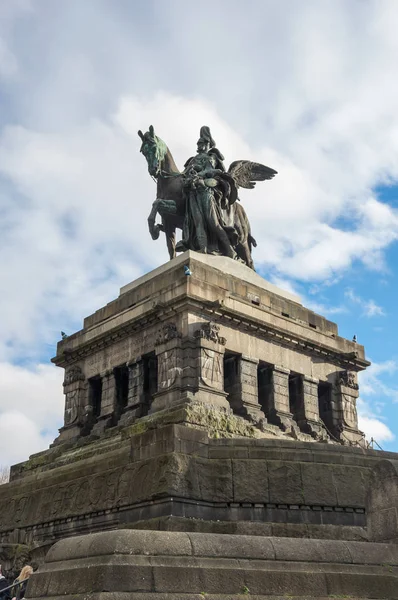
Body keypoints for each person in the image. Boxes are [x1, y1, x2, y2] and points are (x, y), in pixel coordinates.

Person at [176, 126, 239, 259]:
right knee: (198, 221)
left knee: (213, 223)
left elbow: (213, 171)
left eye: (203, 144)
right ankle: (203, 248)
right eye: (199, 144)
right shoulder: (192, 160)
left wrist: (199, 175)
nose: (200, 146)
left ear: (208, 144)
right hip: (193, 193)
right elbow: (183, 175)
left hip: (206, 191)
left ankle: (229, 250)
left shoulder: (212, 157)